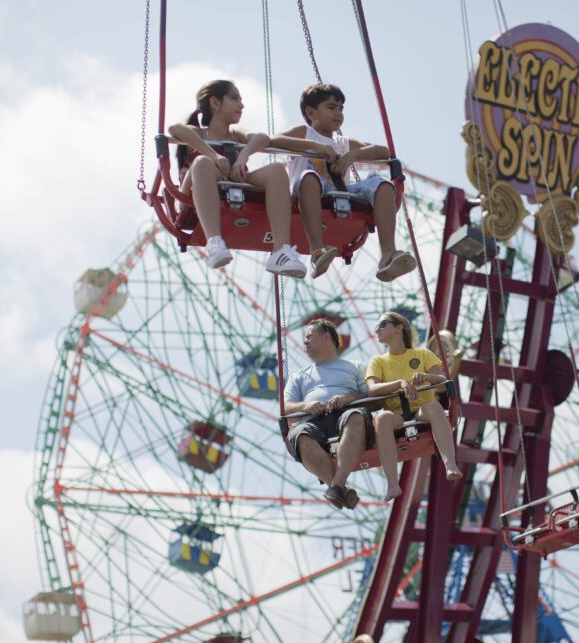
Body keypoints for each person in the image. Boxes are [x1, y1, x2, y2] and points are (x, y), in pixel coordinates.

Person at [272, 83, 418, 280]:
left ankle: (388, 254)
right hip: (308, 190)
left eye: (341, 108)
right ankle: (317, 250)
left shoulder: (343, 143)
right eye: (331, 108)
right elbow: (273, 140)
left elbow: (384, 152)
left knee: (382, 185)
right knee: (309, 177)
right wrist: (314, 147)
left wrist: (352, 155)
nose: (338, 113)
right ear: (311, 112)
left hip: (341, 194)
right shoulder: (305, 133)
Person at [169, 80, 306, 277]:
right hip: (199, 186)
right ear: (215, 103)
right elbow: (175, 130)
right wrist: (214, 155)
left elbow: (260, 138)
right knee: (202, 163)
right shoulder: (198, 133)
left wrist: (243, 157)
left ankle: (281, 250)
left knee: (276, 170)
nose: (241, 105)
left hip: (234, 182)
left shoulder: (236, 135)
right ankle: (214, 241)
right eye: (234, 99)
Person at [365, 311, 462, 501]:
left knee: (434, 407)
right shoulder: (378, 361)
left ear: (399, 327)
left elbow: (442, 381)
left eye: (382, 324)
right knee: (382, 419)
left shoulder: (423, 354)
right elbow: (372, 389)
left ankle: (450, 463)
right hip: (396, 415)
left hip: (421, 411)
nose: (377, 330)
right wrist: (400, 383)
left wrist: (426, 377)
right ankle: (393, 484)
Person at [283, 319, 378, 509]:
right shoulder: (299, 376)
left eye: (309, 336)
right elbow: (285, 408)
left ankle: (336, 486)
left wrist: (348, 398)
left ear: (327, 336)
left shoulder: (356, 367)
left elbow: (374, 398)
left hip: (347, 413)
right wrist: (306, 405)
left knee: (356, 417)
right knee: (299, 435)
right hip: (312, 421)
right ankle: (338, 487)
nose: (305, 342)